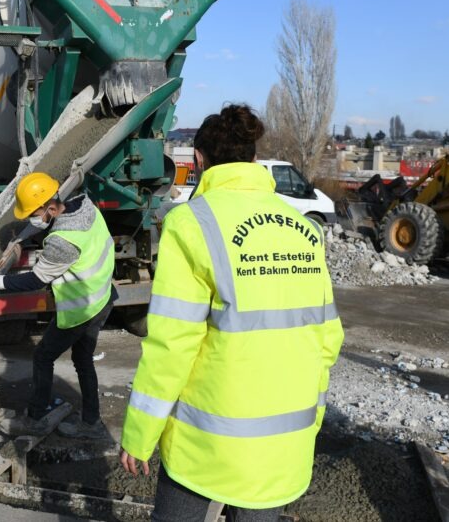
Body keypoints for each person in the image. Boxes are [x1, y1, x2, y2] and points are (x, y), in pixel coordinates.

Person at [118, 104, 343, 521]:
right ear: (253, 159)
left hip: (207, 445)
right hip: (283, 442)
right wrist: (311, 423)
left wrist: (140, 434)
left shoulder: (191, 224)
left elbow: (172, 346)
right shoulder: (305, 229)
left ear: (199, 161)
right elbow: (328, 339)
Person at [0, 172, 114, 440]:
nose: (32, 217)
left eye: (34, 212)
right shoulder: (85, 206)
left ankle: (36, 419)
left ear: (51, 208)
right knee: (83, 359)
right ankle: (91, 423)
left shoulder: (62, 241)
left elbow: (36, 279)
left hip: (81, 311)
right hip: (103, 297)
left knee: (43, 357)